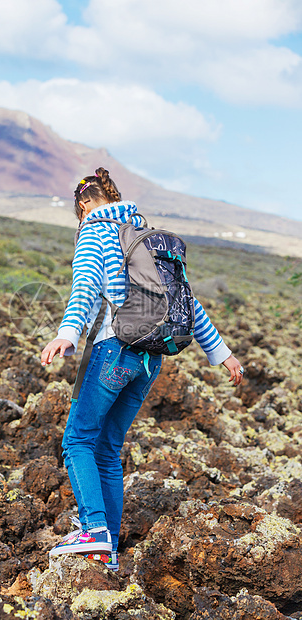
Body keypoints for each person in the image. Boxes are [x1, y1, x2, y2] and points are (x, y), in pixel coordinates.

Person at [41, 167, 244, 571]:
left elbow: (84, 287)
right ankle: (108, 552)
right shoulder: (145, 236)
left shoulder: (95, 231)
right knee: (108, 450)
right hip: (149, 361)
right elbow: (187, 303)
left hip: (113, 350)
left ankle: (94, 530)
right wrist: (221, 352)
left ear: (83, 205)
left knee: (77, 442)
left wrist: (67, 332)